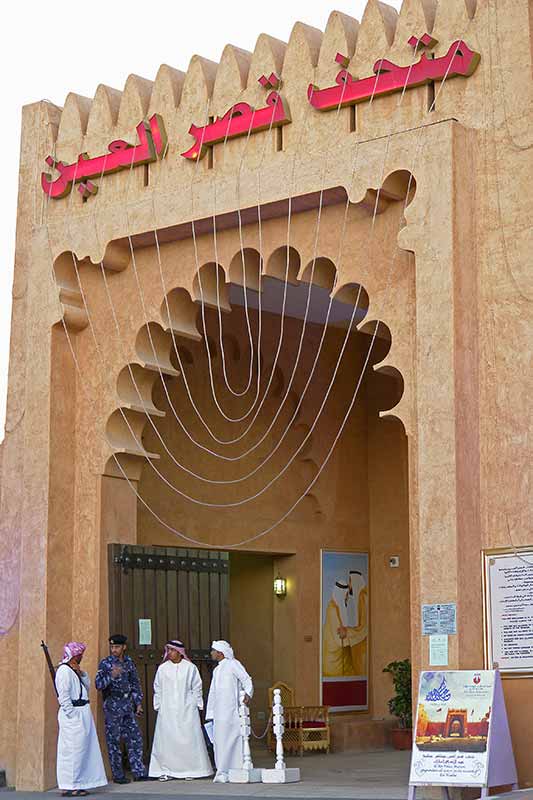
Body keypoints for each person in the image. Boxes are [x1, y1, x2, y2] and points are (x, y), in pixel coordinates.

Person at [148, 640, 213, 781]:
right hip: (167, 709)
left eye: (172, 650)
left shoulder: (190, 668)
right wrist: (158, 705)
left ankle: (191, 770)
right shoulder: (163, 668)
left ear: (179, 652)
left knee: (189, 739)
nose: (170, 653)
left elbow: (197, 687)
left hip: (187, 709)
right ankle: (165, 770)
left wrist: (197, 704)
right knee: (166, 740)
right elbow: (157, 688)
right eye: (169, 650)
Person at [55, 641, 107, 797]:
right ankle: (70, 785)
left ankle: (78, 783)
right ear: (74, 655)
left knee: (82, 750)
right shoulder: (64, 671)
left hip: (82, 713)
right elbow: (63, 697)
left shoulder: (73, 670)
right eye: (79, 655)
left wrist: (81, 673)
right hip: (73, 714)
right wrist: (72, 715)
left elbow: (86, 686)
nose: (81, 657)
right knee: (73, 751)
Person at [95, 634, 147, 784]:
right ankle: (118, 775)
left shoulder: (129, 662)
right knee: (114, 741)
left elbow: (135, 683)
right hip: (112, 706)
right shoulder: (106, 663)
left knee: (135, 738)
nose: (114, 650)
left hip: (127, 705)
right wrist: (111, 675)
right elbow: (98, 684)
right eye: (112, 647)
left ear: (124, 647)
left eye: (117, 647)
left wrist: (138, 703)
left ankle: (138, 772)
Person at [205, 640, 253, 784]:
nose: (211, 653)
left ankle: (235, 770)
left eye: (213, 651)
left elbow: (246, 679)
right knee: (219, 744)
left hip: (231, 712)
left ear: (220, 653)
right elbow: (213, 693)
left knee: (232, 741)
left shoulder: (233, 664)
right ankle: (222, 772)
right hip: (219, 714)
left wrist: (248, 693)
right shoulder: (216, 670)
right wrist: (210, 713)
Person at [322, 578, 354, 677]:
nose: (347, 598)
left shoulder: (337, 607)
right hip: (334, 659)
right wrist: (355, 635)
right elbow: (340, 635)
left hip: (341, 653)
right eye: (346, 595)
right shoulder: (332, 609)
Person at [341, 570, 368, 675]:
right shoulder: (360, 595)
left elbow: (364, 627)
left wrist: (348, 631)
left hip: (362, 644)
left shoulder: (363, 596)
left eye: (350, 581)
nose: (349, 585)